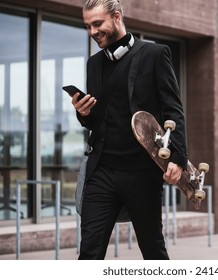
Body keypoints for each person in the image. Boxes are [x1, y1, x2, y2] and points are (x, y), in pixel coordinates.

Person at [70, 0, 188, 260]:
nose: (92, 31)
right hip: (101, 171)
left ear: (117, 17)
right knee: (89, 250)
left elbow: (173, 110)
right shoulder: (93, 64)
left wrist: (178, 158)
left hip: (142, 171)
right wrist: (84, 113)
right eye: (87, 26)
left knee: (153, 249)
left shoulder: (155, 54)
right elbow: (97, 120)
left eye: (97, 24)